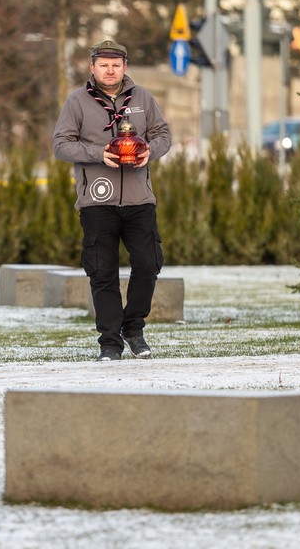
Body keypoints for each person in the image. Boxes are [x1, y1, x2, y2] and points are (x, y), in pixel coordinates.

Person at [52, 39, 171, 361]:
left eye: (115, 65)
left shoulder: (143, 98)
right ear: (92, 68)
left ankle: (133, 328)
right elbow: (61, 145)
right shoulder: (77, 101)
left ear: (125, 67)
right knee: (102, 272)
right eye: (103, 65)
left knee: (148, 264)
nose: (110, 70)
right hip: (96, 201)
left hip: (139, 199)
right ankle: (109, 342)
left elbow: (163, 135)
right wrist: (98, 153)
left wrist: (150, 150)